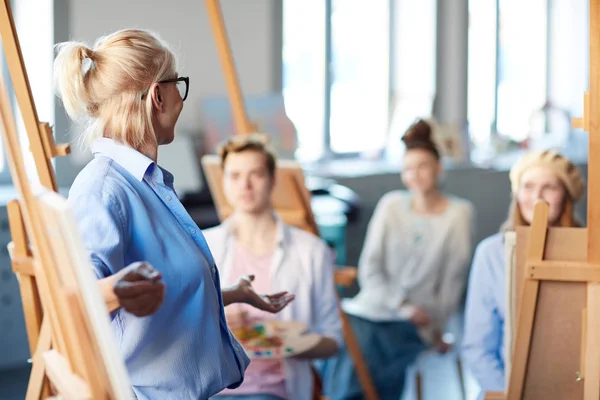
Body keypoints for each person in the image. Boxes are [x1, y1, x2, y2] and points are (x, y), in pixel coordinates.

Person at [53, 29, 294, 400]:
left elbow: (158, 293)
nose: (180, 98)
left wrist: (229, 292)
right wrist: (112, 289)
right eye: (177, 84)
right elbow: (75, 299)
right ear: (158, 96)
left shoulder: (146, 182)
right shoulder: (104, 189)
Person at [331, 119, 475, 400]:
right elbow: (370, 269)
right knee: (348, 337)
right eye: (408, 169)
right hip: (375, 306)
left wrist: (436, 328)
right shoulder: (391, 205)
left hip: (423, 318)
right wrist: (401, 305)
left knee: (369, 346)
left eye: (422, 167)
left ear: (439, 167)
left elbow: (452, 282)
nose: (415, 175)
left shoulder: (459, 214)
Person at [202, 134, 343, 400]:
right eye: (234, 176)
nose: (245, 185)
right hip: (214, 389)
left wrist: (294, 344)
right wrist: (217, 324)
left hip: (275, 390)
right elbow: (184, 329)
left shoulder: (311, 251)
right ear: (223, 182)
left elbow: (333, 339)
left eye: (256, 174)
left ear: (273, 179)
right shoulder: (204, 245)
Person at [461, 150, 584, 397]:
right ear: (517, 194)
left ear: (566, 196)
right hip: (508, 390)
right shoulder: (491, 254)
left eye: (549, 187)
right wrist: (510, 392)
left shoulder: (589, 253)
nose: (537, 197)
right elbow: (478, 348)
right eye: (528, 186)